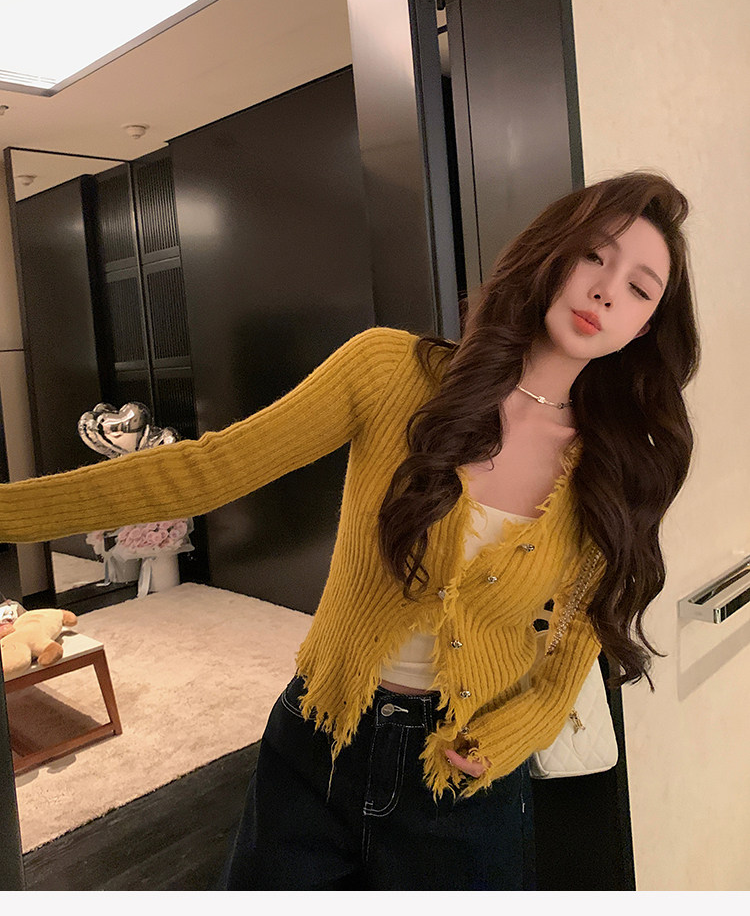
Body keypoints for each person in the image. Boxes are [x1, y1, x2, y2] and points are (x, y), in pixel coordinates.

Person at [0, 170, 699, 890]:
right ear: (551, 252)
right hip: (316, 743)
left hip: (464, 783)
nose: (606, 290)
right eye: (593, 255)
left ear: (645, 327)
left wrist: (513, 734)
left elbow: (574, 639)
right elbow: (207, 470)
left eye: (639, 289)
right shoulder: (389, 370)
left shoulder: (617, 467)